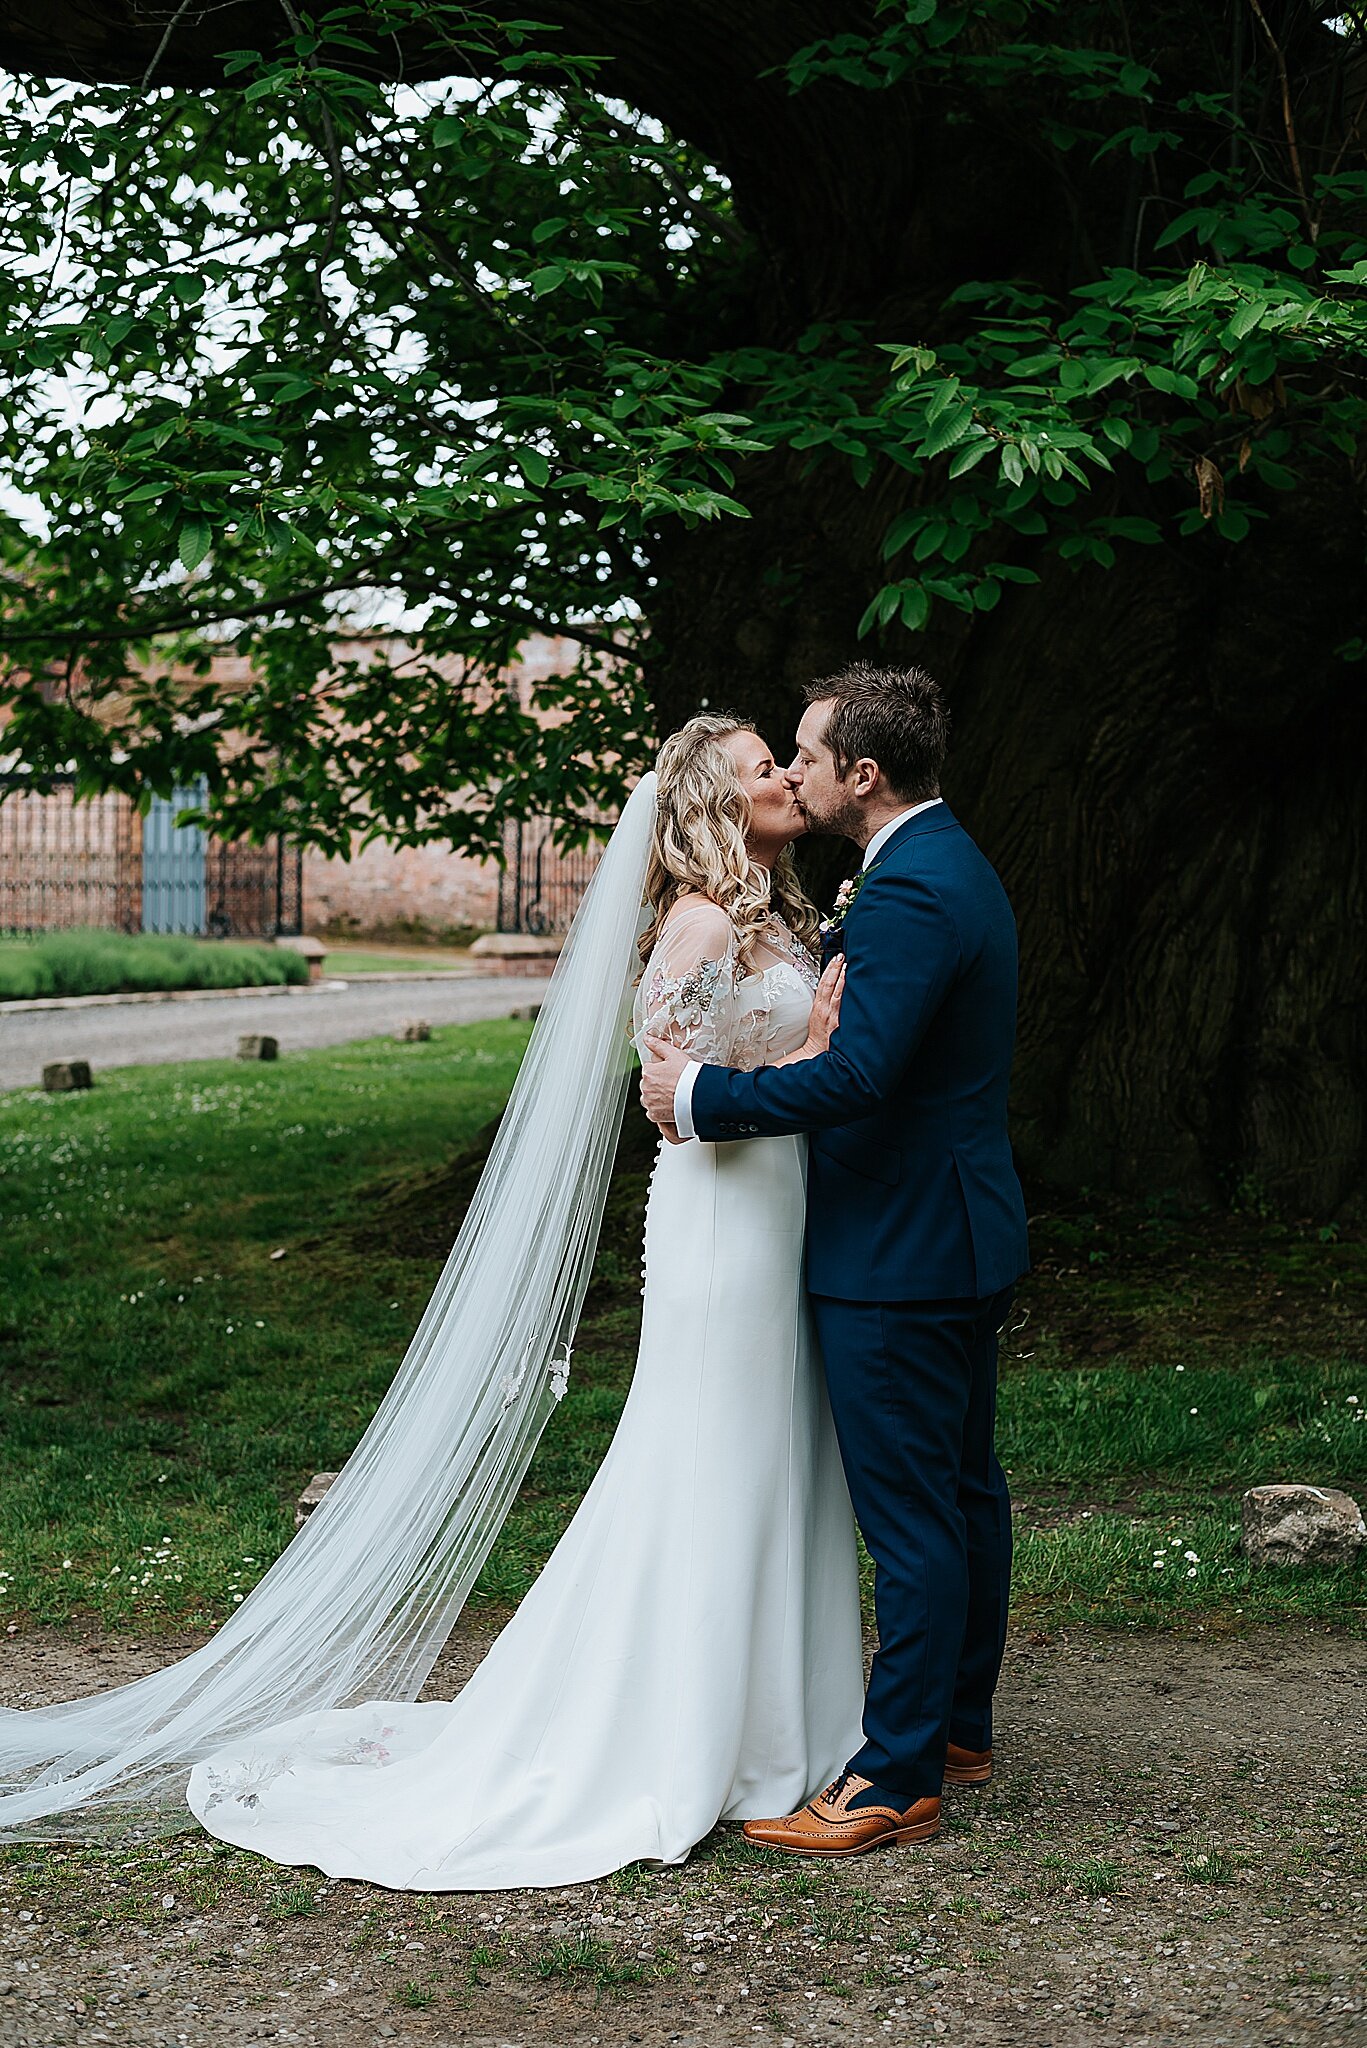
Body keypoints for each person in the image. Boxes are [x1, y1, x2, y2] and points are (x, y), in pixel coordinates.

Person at [169, 714, 866, 1887]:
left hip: (781, 1200)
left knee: (779, 1455)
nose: (784, 777)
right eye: (762, 767)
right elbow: (666, 1091)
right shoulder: (698, 921)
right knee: (713, 1455)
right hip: (720, 1217)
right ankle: (681, 1733)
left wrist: (813, 1050)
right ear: (713, 798)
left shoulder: (772, 911)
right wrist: (816, 1059)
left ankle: (775, 1726)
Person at [641, 662, 1030, 1859]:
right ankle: (952, 1720)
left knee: (915, 1511)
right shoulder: (936, 860)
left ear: (861, 773)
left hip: (897, 1245)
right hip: (943, 1225)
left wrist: (699, 1094)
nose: (794, 773)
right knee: (961, 1492)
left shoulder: (911, 889)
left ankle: (895, 1773)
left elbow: (859, 1076)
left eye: (804, 755)